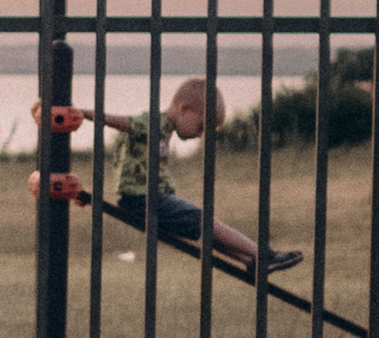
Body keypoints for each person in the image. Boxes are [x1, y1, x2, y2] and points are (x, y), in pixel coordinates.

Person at [94, 77, 301, 277]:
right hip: (142, 200)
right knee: (205, 222)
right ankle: (263, 254)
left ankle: (250, 260)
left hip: (151, 199)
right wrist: (80, 114)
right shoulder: (152, 122)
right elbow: (123, 122)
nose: (200, 134)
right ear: (183, 109)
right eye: (201, 126)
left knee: (203, 227)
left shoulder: (164, 129)